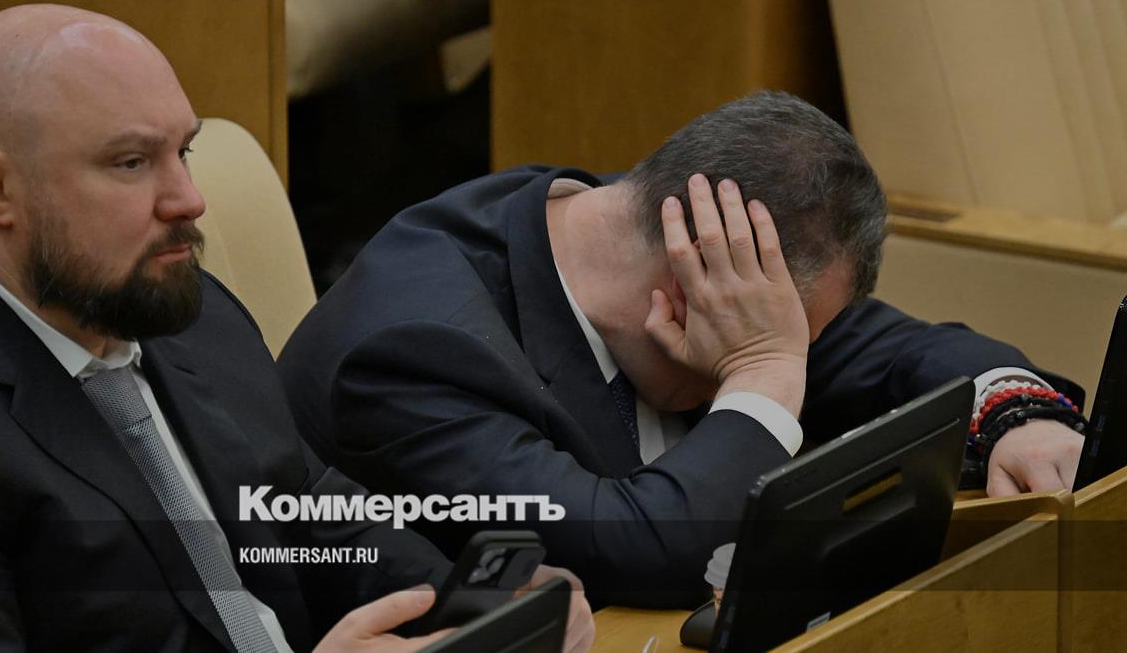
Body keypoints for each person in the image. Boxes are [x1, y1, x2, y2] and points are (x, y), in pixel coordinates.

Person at [0, 4, 595, 652]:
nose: (190, 199)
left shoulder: (184, 308)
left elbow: (307, 513)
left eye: (183, 150)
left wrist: (473, 611)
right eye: (130, 163)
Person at [277, 91, 1087, 607]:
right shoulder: (412, 353)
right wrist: (761, 374)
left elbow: (891, 347)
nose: (791, 354)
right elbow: (633, 553)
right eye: (776, 336)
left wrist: (1014, 413)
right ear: (693, 278)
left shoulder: (647, 220)